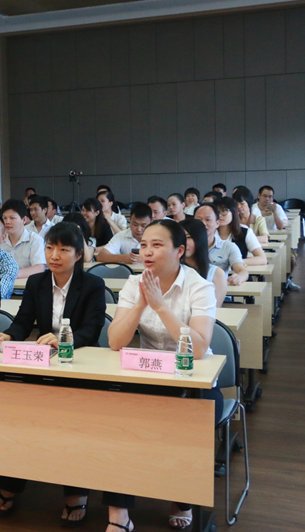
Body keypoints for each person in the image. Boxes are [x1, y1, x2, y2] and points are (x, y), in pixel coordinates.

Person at [107, 219, 219, 532]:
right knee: (113, 419)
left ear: (180, 251)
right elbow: (115, 341)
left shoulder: (200, 286)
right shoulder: (134, 283)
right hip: (148, 375)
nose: (147, 252)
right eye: (144, 244)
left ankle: (182, 498)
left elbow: (198, 348)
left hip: (194, 380)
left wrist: (159, 306)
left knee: (188, 420)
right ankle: (119, 515)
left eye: (157, 245)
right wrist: (141, 303)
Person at [0, 223, 106, 522]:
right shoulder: (37, 282)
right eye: (50, 248)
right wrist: (9, 335)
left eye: (64, 249)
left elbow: (93, 329)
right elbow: (23, 320)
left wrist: (65, 339)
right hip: (44, 362)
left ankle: (76, 492)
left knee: (74, 428)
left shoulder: (92, 285)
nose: (54, 255)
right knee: (21, 421)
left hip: (79, 364)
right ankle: (11, 484)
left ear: (78, 255)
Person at [195, 204, 248, 285]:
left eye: (208, 219)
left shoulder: (229, 247)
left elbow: (242, 271)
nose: (203, 223)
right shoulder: (186, 247)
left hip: (218, 290)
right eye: (198, 220)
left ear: (217, 223)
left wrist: (238, 278)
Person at [179, 219, 227, 304]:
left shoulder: (216, 274)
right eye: (180, 238)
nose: (183, 243)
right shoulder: (172, 270)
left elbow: (215, 308)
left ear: (200, 239)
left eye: (189, 237)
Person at [0, 200, 46, 278]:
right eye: (4, 218)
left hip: (25, 284)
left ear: (24, 220)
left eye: (12, 218)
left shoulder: (35, 240)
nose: (7, 222)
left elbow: (39, 268)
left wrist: (10, 274)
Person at [215, 197, 267, 266]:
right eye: (216, 212)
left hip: (238, 271)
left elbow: (262, 259)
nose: (219, 215)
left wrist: (236, 262)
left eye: (224, 211)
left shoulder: (245, 232)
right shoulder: (208, 232)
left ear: (233, 212)